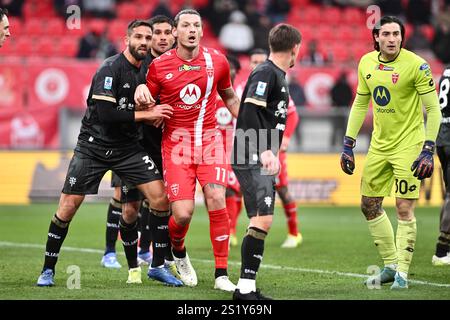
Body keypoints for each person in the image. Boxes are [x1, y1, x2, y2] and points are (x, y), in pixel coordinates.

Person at [36, 20, 175, 287]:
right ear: (127, 40)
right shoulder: (110, 68)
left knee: (160, 200)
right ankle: (48, 269)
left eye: (148, 37)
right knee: (67, 208)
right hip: (93, 147)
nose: (145, 42)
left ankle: (156, 265)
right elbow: (106, 115)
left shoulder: (147, 72)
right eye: (139, 37)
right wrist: (148, 114)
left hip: (128, 150)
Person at [135, 9, 241, 291]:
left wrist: (247, 120)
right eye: (186, 25)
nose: (192, 29)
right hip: (176, 145)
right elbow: (147, 101)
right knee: (182, 214)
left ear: (202, 31)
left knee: (217, 197)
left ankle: (221, 275)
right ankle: (178, 251)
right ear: (176, 32)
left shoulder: (217, 62)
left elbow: (229, 96)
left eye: (196, 25)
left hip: (210, 141)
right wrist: (142, 97)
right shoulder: (159, 66)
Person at [340, 16, 441, 289]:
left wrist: (428, 148)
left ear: (402, 36)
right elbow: (361, 103)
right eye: (386, 34)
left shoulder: (416, 65)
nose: (392, 38)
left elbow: (433, 110)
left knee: (403, 207)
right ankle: (390, 264)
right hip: (379, 145)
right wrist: (348, 143)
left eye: (396, 33)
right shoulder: (366, 63)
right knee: (368, 205)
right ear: (376, 37)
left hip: (410, 145)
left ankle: (403, 275)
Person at [101, 16, 180, 284]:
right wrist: (146, 111)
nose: (160, 38)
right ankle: (112, 252)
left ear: (173, 36)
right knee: (129, 208)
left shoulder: (177, 64)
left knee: (160, 203)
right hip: (132, 145)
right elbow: (120, 103)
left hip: (163, 146)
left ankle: (152, 256)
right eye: (155, 32)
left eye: (166, 33)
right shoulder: (137, 62)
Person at [231, 24, 301, 300]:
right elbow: (248, 112)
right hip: (250, 154)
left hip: (256, 154)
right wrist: (264, 151)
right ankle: (244, 289)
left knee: (261, 219)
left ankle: (246, 286)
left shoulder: (276, 75)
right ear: (295, 48)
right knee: (264, 217)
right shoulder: (266, 73)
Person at [433, 66, 450, 266]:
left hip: (442, 136)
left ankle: (444, 248)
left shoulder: (446, 72)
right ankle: (441, 250)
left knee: (448, 195)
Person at [330, 71, 353, 149]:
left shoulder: (339, 86)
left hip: (340, 109)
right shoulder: (342, 86)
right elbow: (350, 97)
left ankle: (337, 144)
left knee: (340, 129)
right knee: (338, 129)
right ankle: (336, 145)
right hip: (340, 110)